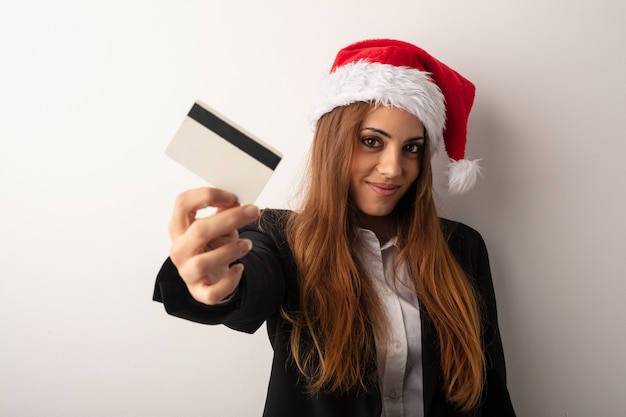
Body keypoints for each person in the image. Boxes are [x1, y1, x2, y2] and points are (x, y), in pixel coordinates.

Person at [153, 38, 516, 416]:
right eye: (372, 141)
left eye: (412, 147)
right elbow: (251, 283)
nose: (394, 168)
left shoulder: (462, 246)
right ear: (334, 143)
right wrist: (219, 279)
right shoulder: (279, 236)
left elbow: (490, 395)